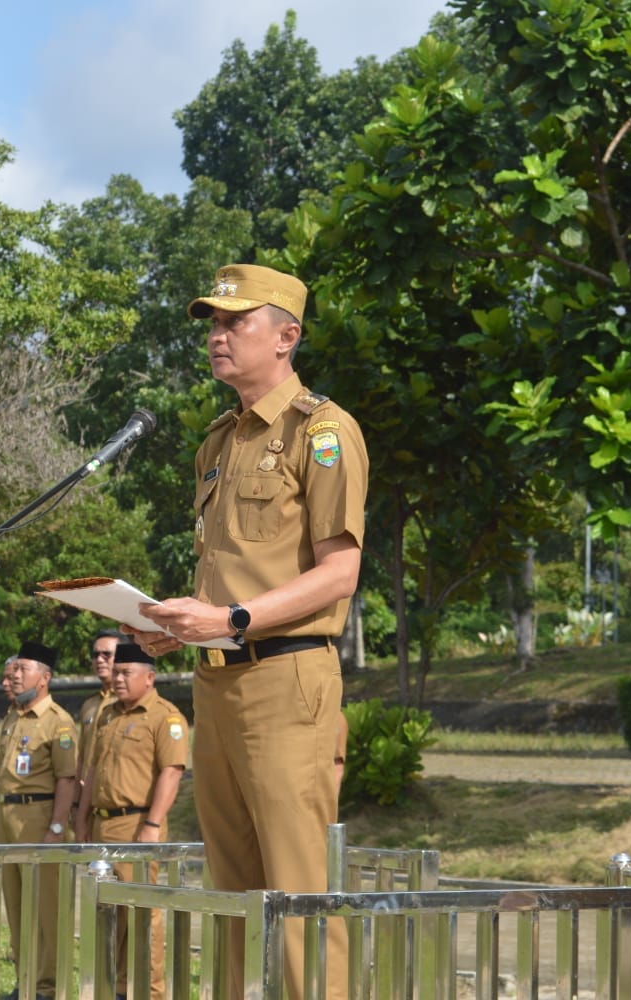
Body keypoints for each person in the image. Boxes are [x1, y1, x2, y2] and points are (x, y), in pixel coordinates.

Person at [131, 263, 367, 999]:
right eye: (213, 322)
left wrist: (230, 619)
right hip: (217, 680)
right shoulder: (219, 441)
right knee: (231, 891)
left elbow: (339, 574)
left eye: (236, 322)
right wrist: (182, 626)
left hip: (287, 678)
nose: (216, 335)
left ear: (287, 336)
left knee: (298, 893)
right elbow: (231, 570)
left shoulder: (322, 431)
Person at [74, 641, 187, 1000]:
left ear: (149, 678)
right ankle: (116, 987)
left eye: (127, 673)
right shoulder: (107, 714)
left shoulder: (164, 717)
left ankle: (148, 991)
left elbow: (171, 772)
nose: (118, 679)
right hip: (102, 824)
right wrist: (81, 820)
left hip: (137, 824)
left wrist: (152, 825)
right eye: (117, 672)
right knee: (107, 911)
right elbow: (91, 771)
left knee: (141, 913)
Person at [0, 641, 77, 1000]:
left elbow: (67, 779)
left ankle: (48, 986)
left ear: (43, 678)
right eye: (14, 670)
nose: (13, 675)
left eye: (22, 669)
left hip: (39, 816)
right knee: (16, 904)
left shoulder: (58, 721)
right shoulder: (12, 716)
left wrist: (56, 827)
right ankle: (25, 981)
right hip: (7, 815)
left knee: (46, 909)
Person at [76, 631, 120, 791]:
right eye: (95, 655)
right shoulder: (89, 705)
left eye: (107, 654)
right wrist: (75, 802)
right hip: (87, 796)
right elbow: (81, 757)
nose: (99, 660)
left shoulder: (129, 703)